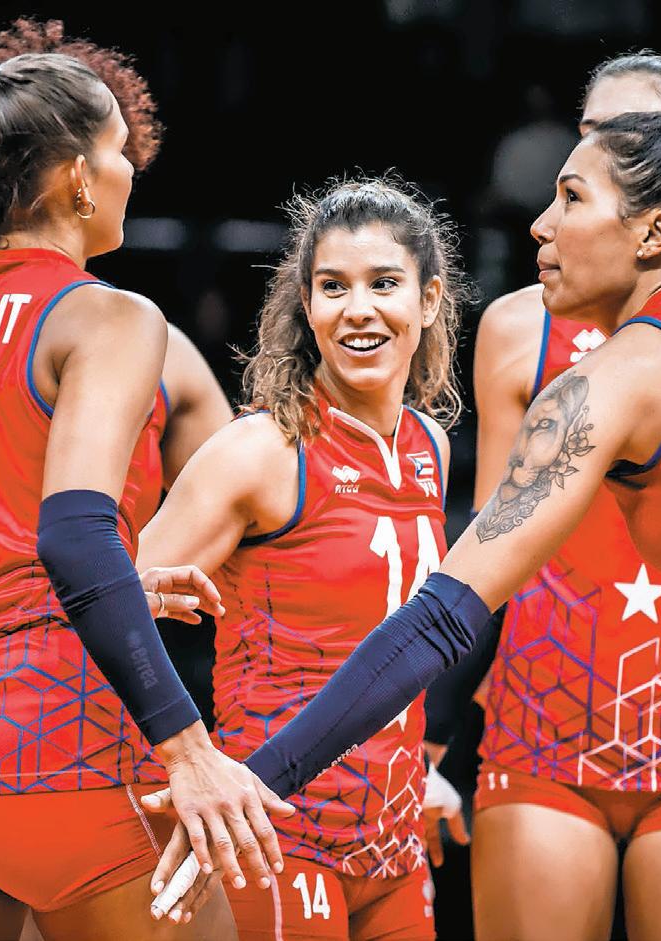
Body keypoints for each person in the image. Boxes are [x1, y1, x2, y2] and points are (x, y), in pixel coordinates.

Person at [215, 103, 661, 940]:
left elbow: (445, 615)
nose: (541, 224)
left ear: (655, 232)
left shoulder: (623, 371)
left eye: (573, 198)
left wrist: (257, 779)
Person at [0, 37, 295, 941]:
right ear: (78, 177)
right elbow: (74, 538)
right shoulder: (108, 317)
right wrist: (189, 749)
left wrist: (99, 585)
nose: (131, 171)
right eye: (121, 150)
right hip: (59, 753)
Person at [427, 53, 661, 941]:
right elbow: (485, 559)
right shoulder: (517, 327)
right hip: (542, 725)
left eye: (628, 135)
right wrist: (427, 737)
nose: (599, 152)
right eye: (591, 133)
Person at [137, 177, 469, 939]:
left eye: (384, 283)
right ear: (307, 305)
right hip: (277, 835)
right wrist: (188, 762)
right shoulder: (260, 452)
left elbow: (401, 645)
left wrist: (419, 771)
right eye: (333, 286)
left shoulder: (430, 446)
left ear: (428, 300)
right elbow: (107, 617)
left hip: (395, 842)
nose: (358, 308)